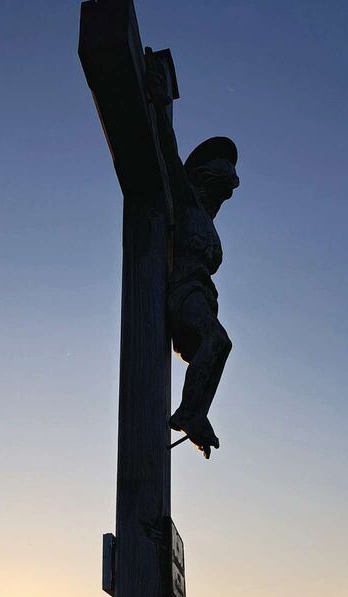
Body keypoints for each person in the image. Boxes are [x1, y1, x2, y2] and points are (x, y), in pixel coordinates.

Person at [146, 53, 240, 459]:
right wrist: (158, 104)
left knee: (220, 345)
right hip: (184, 291)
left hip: (202, 295)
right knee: (219, 341)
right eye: (223, 182)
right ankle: (191, 412)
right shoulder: (186, 203)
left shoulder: (209, 221)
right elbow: (168, 156)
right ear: (205, 180)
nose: (228, 191)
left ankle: (194, 411)